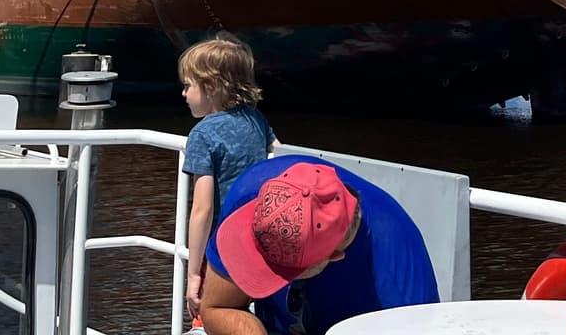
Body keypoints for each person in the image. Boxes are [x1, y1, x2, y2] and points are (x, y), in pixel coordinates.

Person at [198, 156, 439, 334]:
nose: (260, 272)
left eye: (279, 271)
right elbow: (217, 306)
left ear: (334, 256)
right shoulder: (250, 193)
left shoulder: (401, 295)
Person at [180, 35, 277, 316]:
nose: (183, 94)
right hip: (259, 240)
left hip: (222, 248)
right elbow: (281, 156)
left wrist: (194, 274)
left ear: (211, 86)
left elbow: (203, 209)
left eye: (188, 86)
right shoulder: (256, 119)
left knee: (212, 314)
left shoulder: (202, 135)